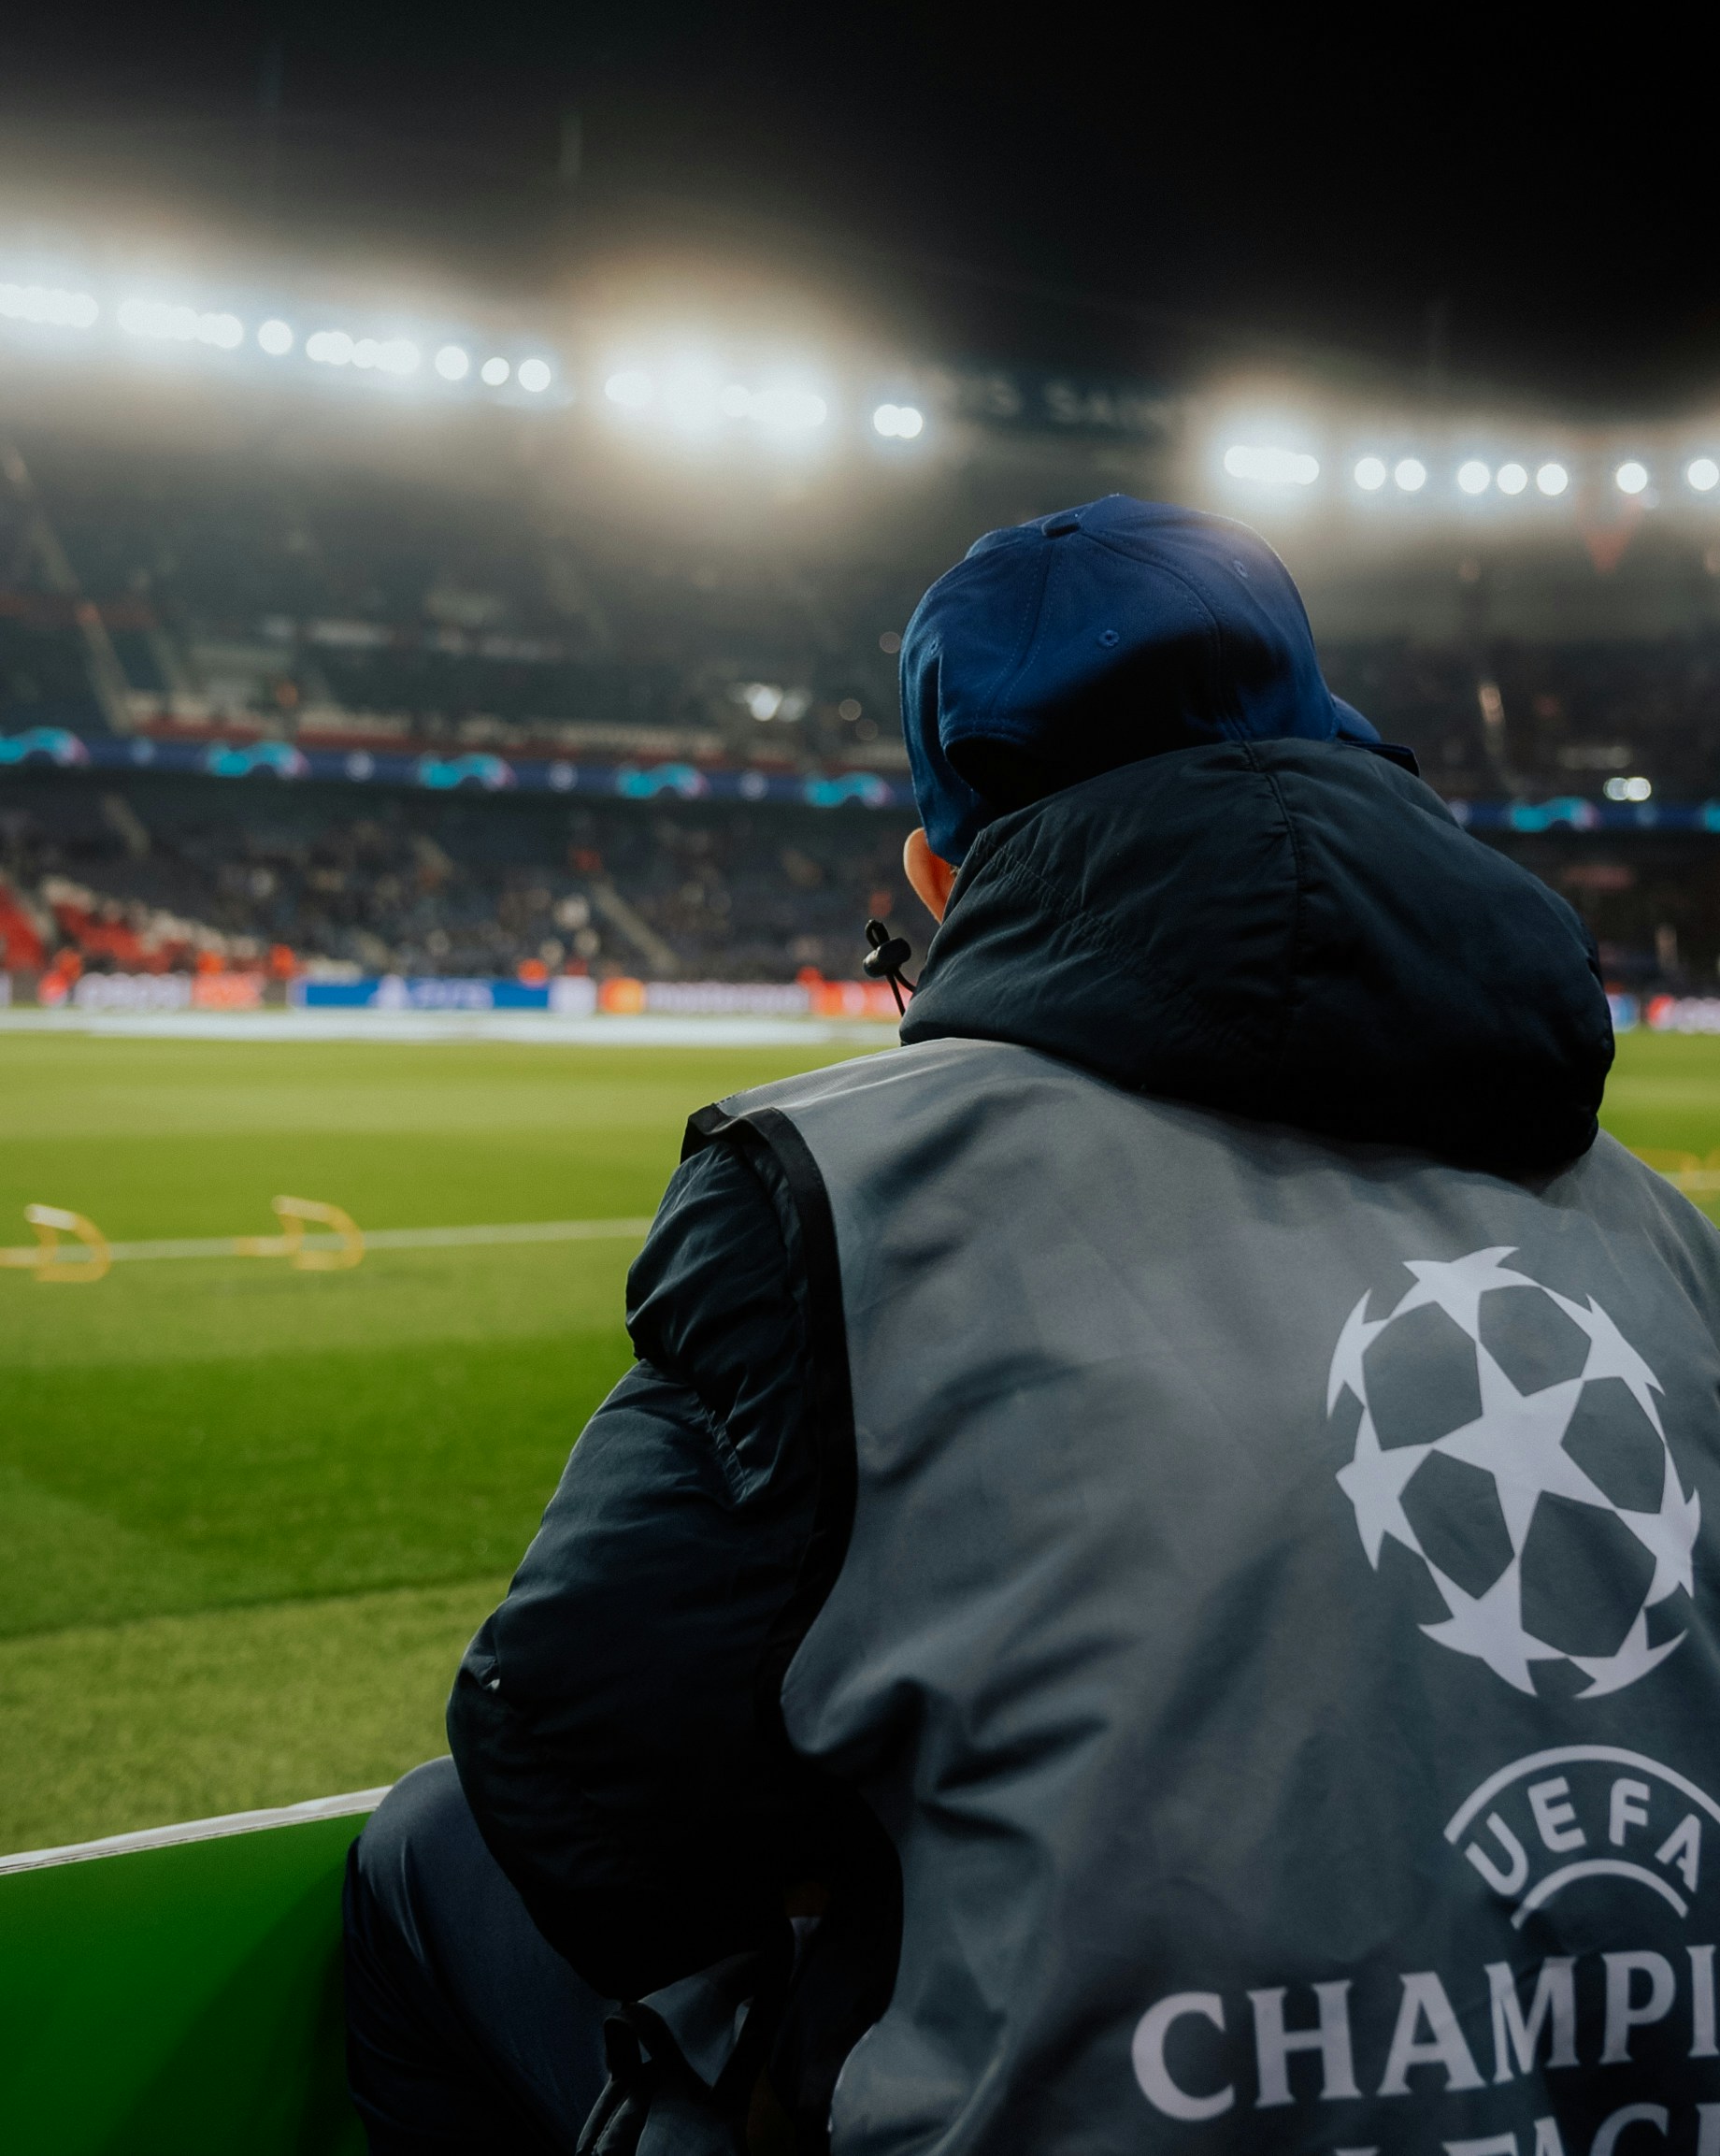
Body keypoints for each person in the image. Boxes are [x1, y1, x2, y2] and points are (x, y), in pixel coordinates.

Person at [346, 495, 1720, 2155]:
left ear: (936, 876)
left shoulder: (837, 1186)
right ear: (1352, 768)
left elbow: (565, 1748)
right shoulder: (1665, 1231)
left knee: (427, 1854)